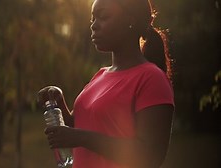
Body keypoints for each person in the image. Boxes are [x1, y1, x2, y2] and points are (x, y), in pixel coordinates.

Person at [37, 0, 174, 167]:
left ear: (130, 20)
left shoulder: (152, 78)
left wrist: (79, 137)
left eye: (103, 17)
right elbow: (84, 126)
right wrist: (60, 105)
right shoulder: (101, 75)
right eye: (93, 19)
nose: (94, 26)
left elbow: (149, 156)